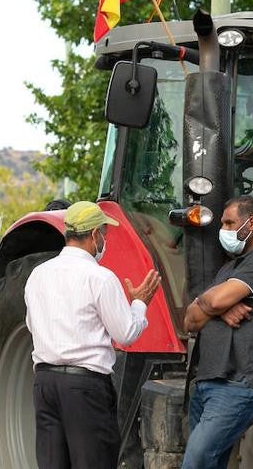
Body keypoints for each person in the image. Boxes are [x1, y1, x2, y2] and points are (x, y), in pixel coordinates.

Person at [24, 200, 161, 469]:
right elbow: (126, 334)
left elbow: (32, 325)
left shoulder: (37, 275)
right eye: (105, 234)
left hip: (45, 383)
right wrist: (139, 303)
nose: (105, 241)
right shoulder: (100, 277)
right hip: (84, 387)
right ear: (95, 235)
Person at [182, 195, 253, 469]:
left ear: (251, 222)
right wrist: (220, 308)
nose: (224, 230)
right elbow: (190, 320)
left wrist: (214, 304)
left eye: (229, 223)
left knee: (196, 460)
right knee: (210, 462)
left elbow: (212, 301)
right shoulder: (229, 268)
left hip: (240, 382)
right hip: (209, 381)